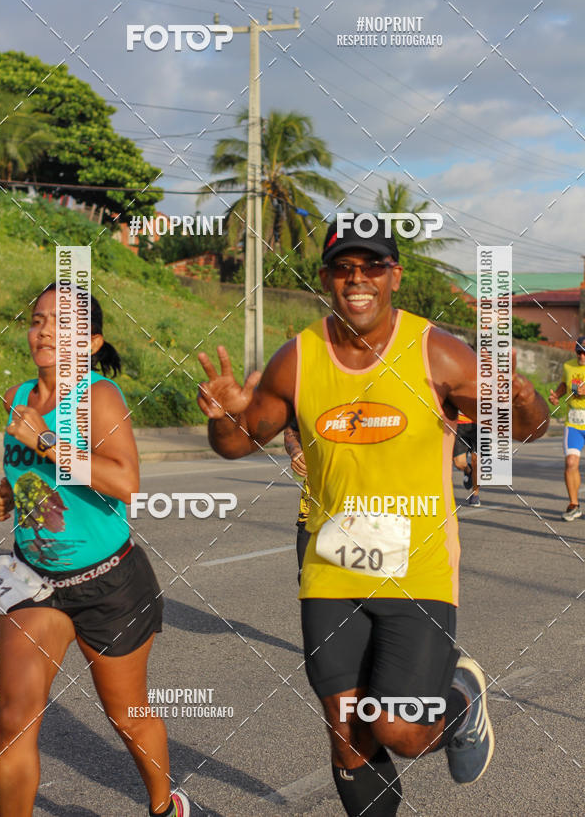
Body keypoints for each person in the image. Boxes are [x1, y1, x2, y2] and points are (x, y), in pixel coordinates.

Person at [196, 220, 549, 815]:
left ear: (394, 275)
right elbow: (238, 443)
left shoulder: (436, 351)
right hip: (331, 567)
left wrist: (519, 397)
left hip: (420, 570)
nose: (357, 279)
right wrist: (224, 415)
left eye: (372, 266)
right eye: (343, 267)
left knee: (399, 733)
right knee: (348, 737)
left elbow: (529, 429)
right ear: (327, 277)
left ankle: (459, 696)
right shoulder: (298, 359)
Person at [0, 283, 189, 817]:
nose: (45, 329)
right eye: (37, 320)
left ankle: (164, 805)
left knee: (126, 715)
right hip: (35, 581)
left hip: (109, 583)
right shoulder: (17, 395)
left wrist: (47, 443)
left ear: (92, 342)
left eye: (62, 322)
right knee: (13, 718)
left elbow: (125, 482)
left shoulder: (99, 397)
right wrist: (9, 493)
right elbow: (34, 475)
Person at [549, 335, 585, 520]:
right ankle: (574, 505)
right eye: (579, 351)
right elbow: (564, 384)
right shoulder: (568, 366)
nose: (582, 356)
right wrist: (557, 396)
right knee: (571, 463)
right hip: (574, 423)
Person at [283, 420, 312, 581]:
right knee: (307, 581)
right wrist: (295, 450)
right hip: (313, 509)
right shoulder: (310, 395)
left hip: (361, 508)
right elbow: (291, 431)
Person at [452, 412, 480, 507]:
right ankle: (468, 470)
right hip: (458, 424)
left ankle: (475, 494)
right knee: (459, 463)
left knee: (476, 462)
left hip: (479, 424)